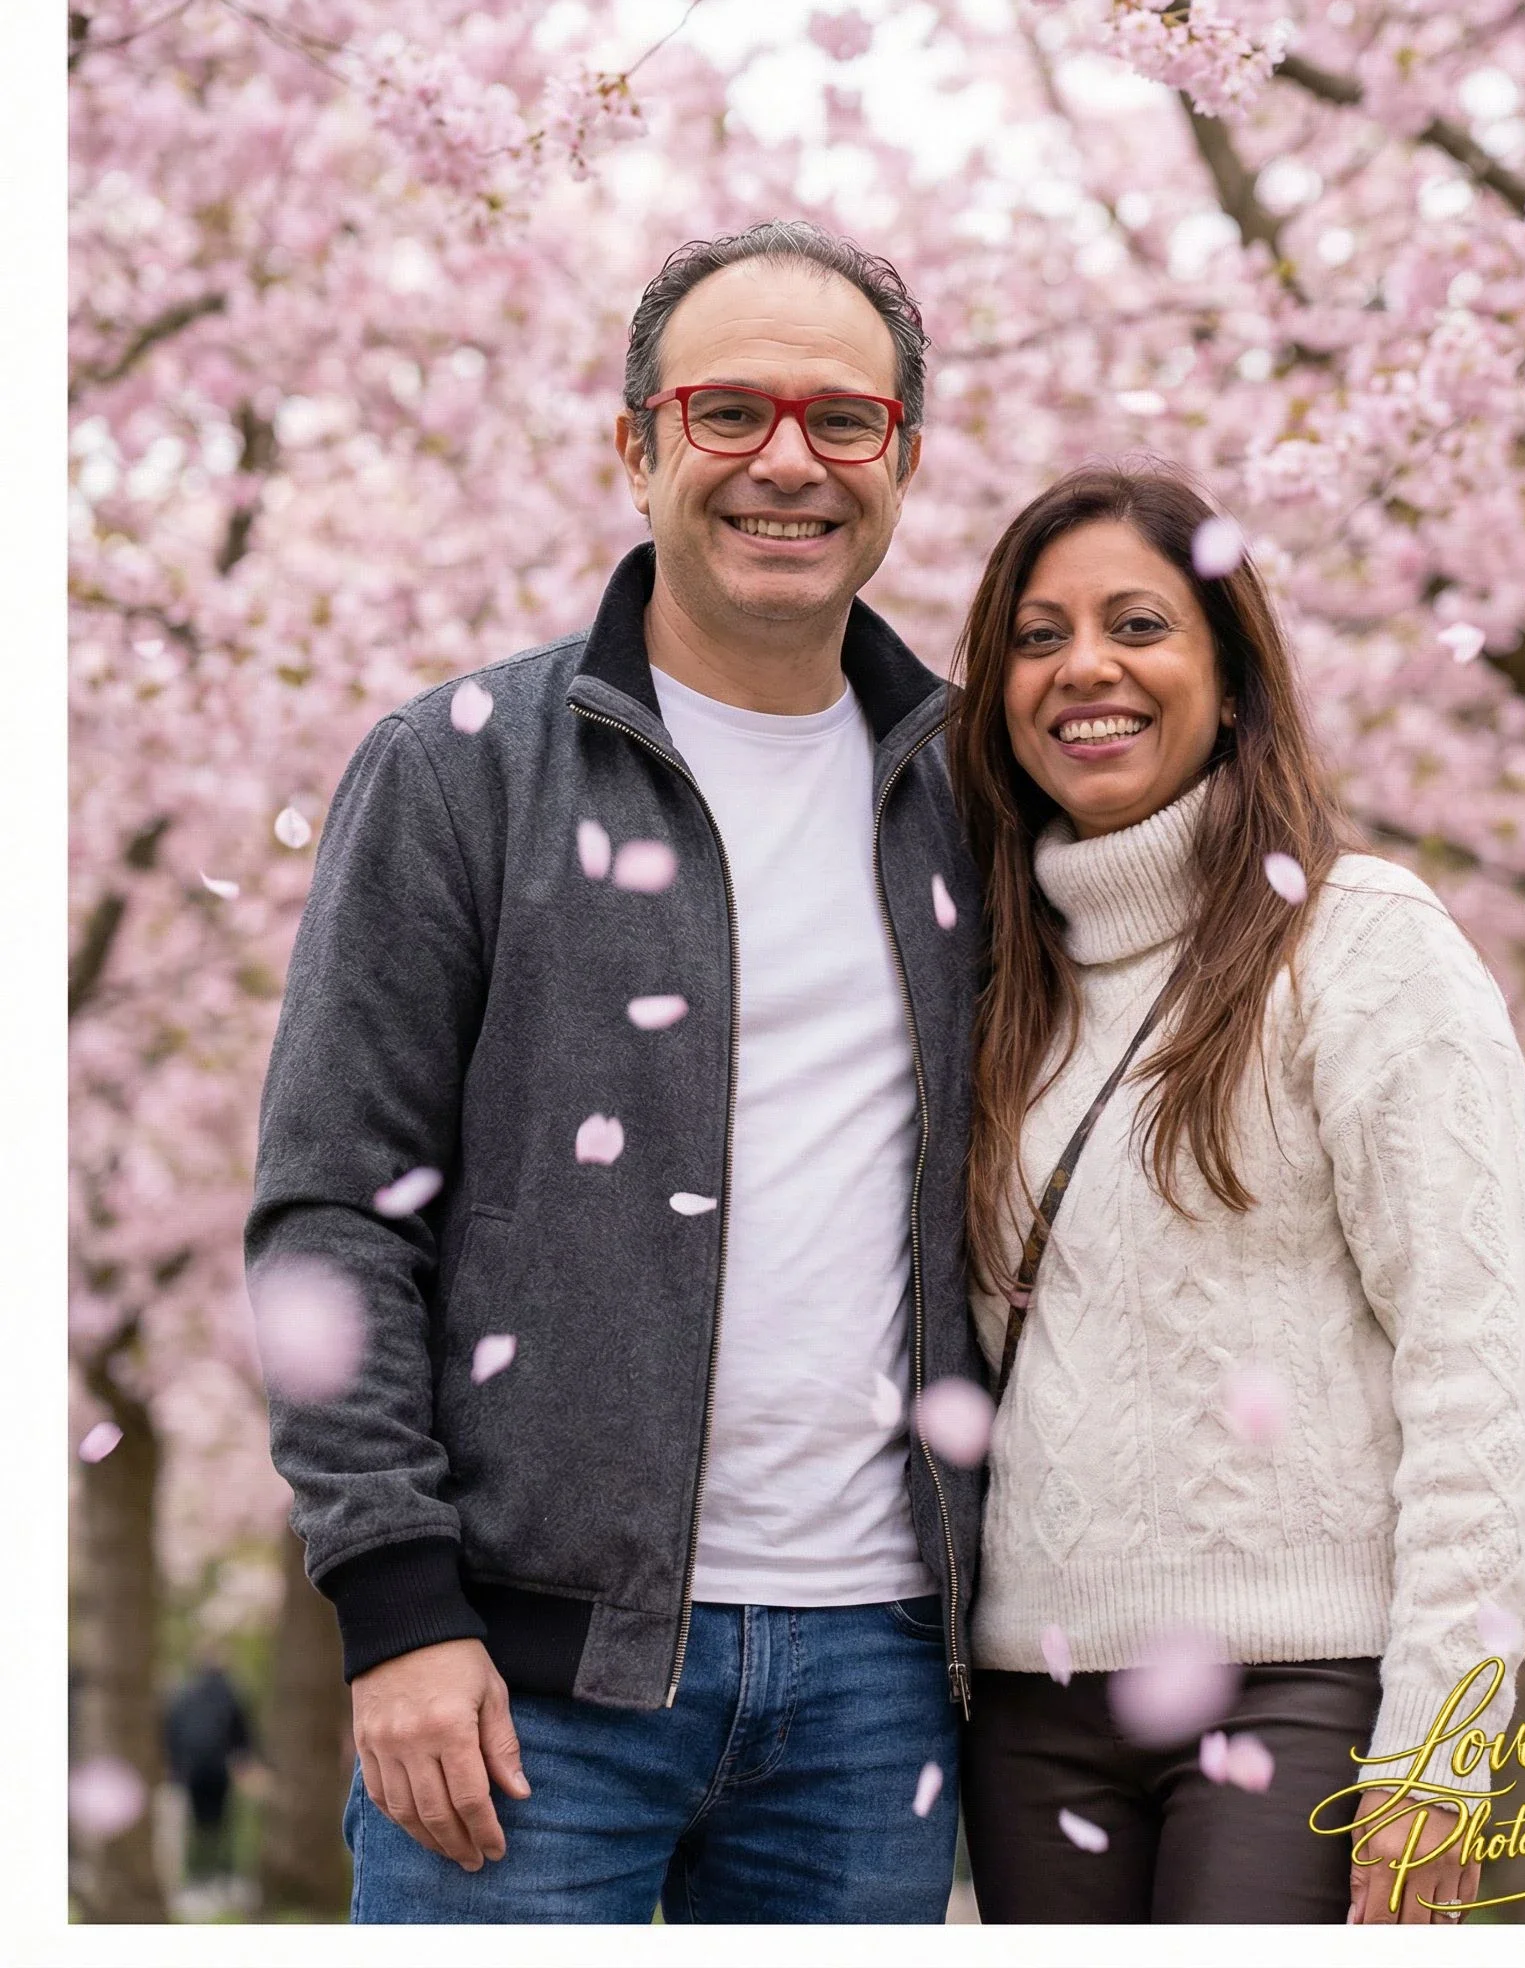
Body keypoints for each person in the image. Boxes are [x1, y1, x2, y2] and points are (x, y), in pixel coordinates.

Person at [247, 222, 987, 1924]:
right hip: (519, 1685)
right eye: (728, 410)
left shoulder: (975, 798)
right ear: (637, 445)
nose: (787, 460)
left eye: (843, 419)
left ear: (903, 461)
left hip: (881, 1679)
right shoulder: (459, 772)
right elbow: (330, 1213)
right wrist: (396, 1606)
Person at [946, 464, 1525, 1925]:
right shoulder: (996, 983)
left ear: (1230, 683)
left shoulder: (1363, 943)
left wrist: (1440, 1749)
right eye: (1037, 637)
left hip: (1302, 1687)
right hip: (1033, 1706)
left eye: (1137, 625)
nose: (1083, 667)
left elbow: (1479, 1361)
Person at [162, 1661, 254, 1883]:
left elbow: (172, 1731)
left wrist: (174, 1767)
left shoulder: (184, 1696)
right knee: (221, 1822)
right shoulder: (231, 1694)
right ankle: (222, 1871)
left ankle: (198, 1872)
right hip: (219, 1770)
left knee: (196, 1822)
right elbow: (242, 1735)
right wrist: (244, 1762)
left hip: (190, 1770)